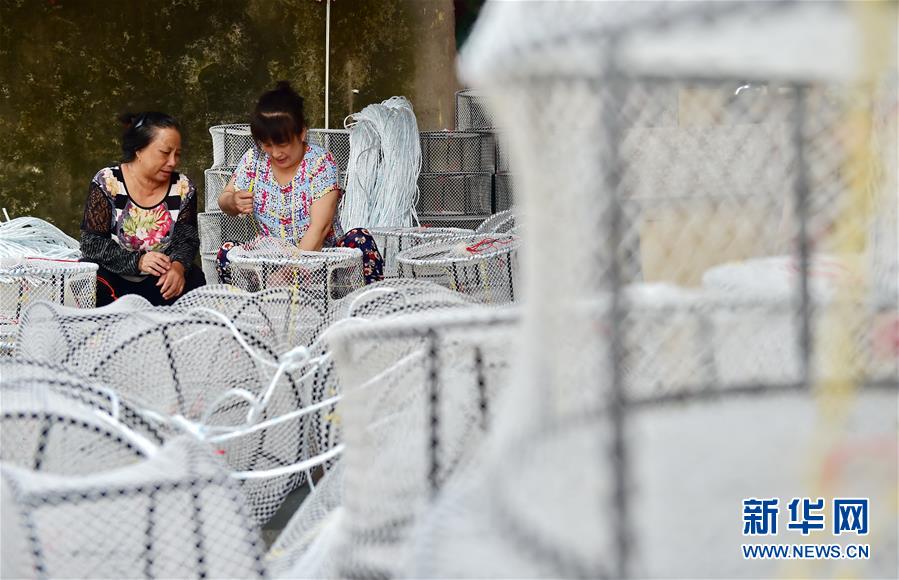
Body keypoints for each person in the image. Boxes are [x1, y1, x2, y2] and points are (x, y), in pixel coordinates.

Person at [217, 81, 383, 284]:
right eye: (267, 144)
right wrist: (233, 201)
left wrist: (289, 274)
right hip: (271, 262)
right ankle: (250, 304)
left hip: (322, 262)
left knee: (360, 240)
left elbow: (319, 228)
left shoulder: (320, 163)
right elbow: (224, 199)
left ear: (302, 133)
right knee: (227, 253)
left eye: (282, 143)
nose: (275, 153)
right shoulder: (254, 160)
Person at [80, 112, 205, 306]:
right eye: (165, 153)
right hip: (114, 278)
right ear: (139, 150)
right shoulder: (108, 181)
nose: (173, 162)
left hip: (158, 282)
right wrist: (138, 261)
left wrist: (178, 267)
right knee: (89, 276)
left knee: (194, 278)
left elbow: (186, 240)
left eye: (177, 154)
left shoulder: (183, 188)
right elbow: (92, 244)